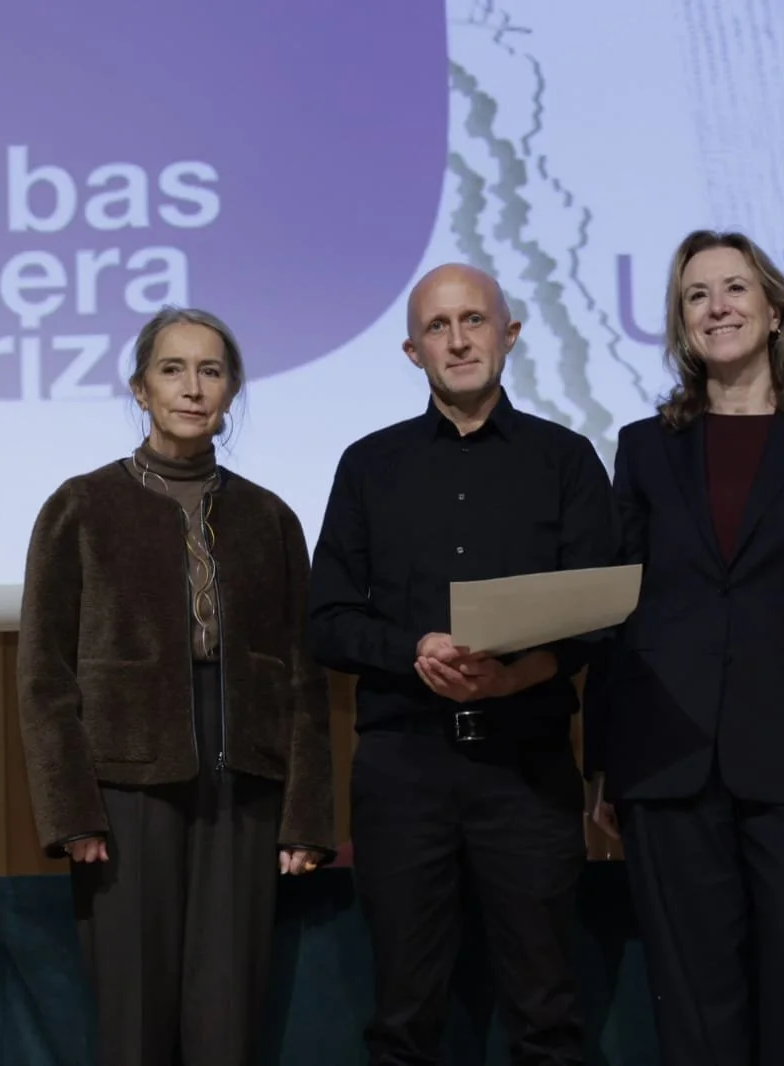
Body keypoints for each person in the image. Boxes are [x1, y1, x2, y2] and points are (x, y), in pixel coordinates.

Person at [584, 230, 784, 1066]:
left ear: (773, 314)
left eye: (733, 289)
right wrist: (605, 763)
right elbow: (618, 614)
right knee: (693, 1001)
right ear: (681, 323)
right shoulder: (645, 447)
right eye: (695, 295)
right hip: (665, 759)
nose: (715, 307)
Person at [306, 263, 616, 1066]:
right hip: (402, 769)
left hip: (527, 766)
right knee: (403, 1018)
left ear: (508, 334)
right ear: (413, 352)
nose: (458, 340)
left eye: (473, 320)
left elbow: (600, 614)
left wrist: (516, 675)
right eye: (437, 327)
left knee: (546, 1015)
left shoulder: (566, 460)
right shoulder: (368, 465)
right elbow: (327, 620)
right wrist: (412, 651)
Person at [16, 305, 335, 1066]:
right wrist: (72, 811)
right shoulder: (80, 507)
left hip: (244, 783)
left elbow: (302, 676)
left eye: (210, 371)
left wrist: (305, 818)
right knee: (133, 1020)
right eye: (172, 369)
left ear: (230, 392)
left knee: (227, 1020)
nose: (192, 388)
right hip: (125, 785)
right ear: (140, 389)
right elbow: (44, 675)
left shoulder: (269, 518)